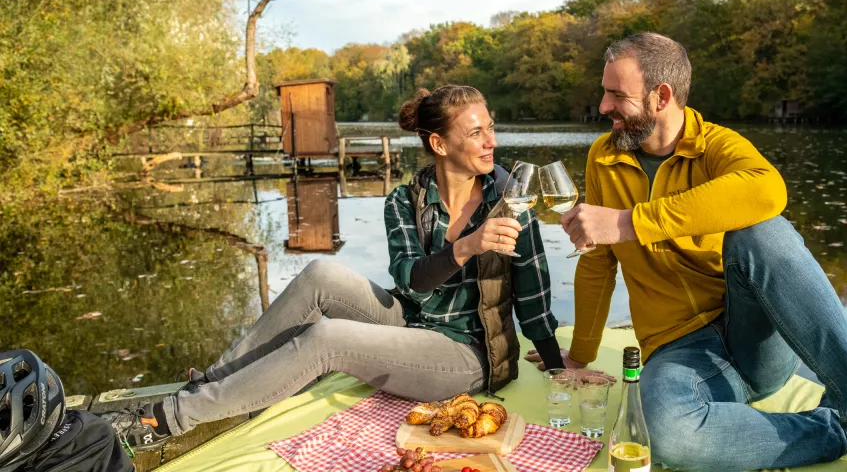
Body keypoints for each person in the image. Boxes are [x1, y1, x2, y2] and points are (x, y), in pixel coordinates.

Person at [529, 33, 847, 472]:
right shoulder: (604, 157)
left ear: (661, 96)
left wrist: (629, 222)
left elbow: (768, 189)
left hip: (755, 340)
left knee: (762, 233)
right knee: (661, 435)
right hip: (679, 352)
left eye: (616, 94)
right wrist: (579, 355)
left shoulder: (716, 145)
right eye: (604, 92)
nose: (603, 106)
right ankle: (839, 428)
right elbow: (599, 260)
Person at [101, 84, 571, 452]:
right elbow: (411, 281)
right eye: (476, 133)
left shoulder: (510, 201)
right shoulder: (405, 200)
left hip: (468, 355)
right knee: (318, 275)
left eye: (490, 127)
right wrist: (464, 247)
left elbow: (533, 293)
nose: (492, 141)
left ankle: (167, 419)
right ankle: (212, 384)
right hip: (412, 319)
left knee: (327, 339)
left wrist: (557, 364)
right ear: (439, 143)